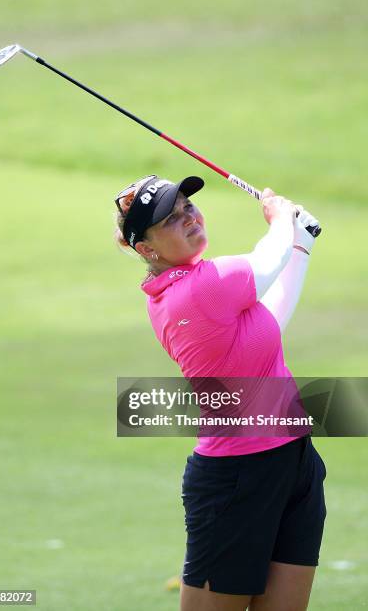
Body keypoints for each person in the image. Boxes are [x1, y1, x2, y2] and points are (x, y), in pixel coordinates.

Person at [114, 174, 327, 611]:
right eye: (170, 220)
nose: (188, 218)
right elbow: (268, 260)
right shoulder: (198, 289)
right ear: (147, 249)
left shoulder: (199, 290)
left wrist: (300, 245)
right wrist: (280, 218)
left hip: (294, 461)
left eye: (187, 207)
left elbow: (267, 325)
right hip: (235, 480)